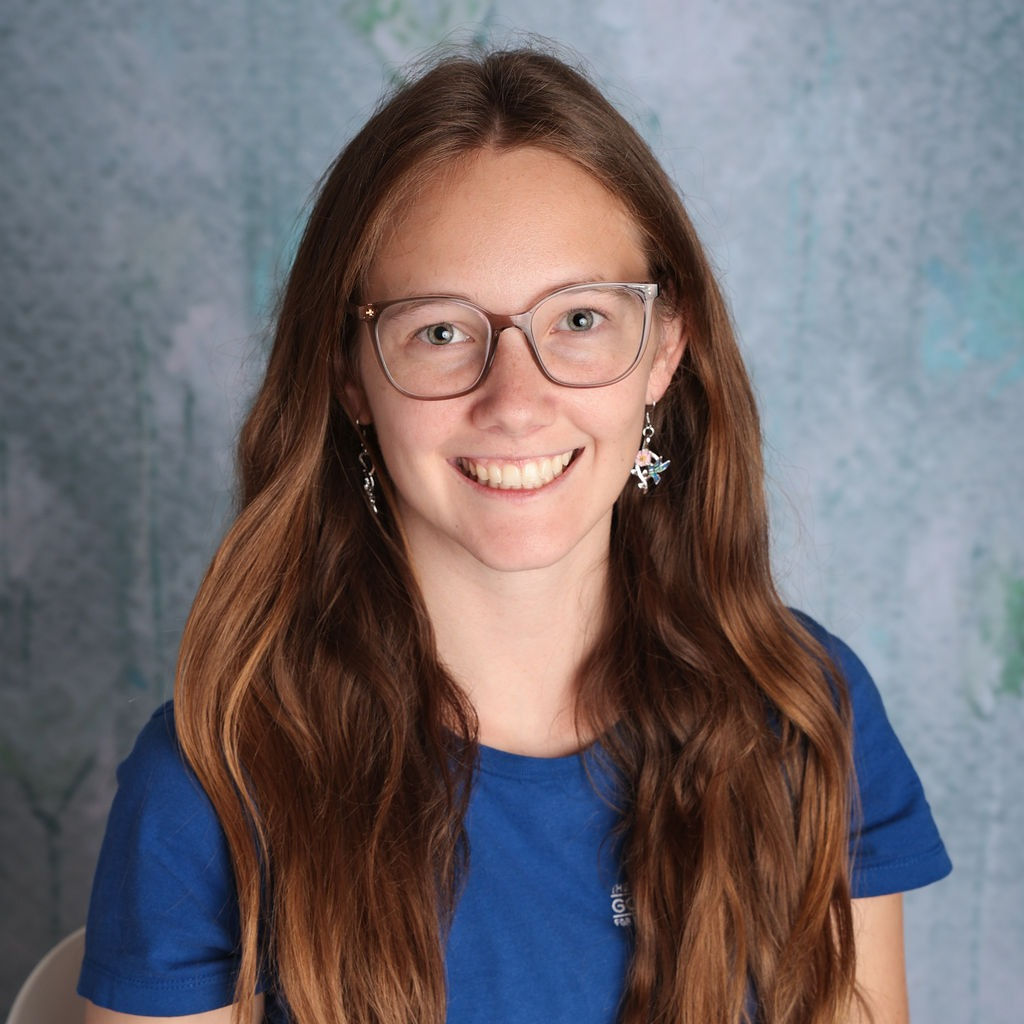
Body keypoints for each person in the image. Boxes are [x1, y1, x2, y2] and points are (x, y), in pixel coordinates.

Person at [77, 47, 951, 1024]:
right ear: (349, 374)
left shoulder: (806, 712)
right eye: (440, 332)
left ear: (665, 349)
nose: (517, 402)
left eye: (578, 318)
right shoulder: (216, 778)